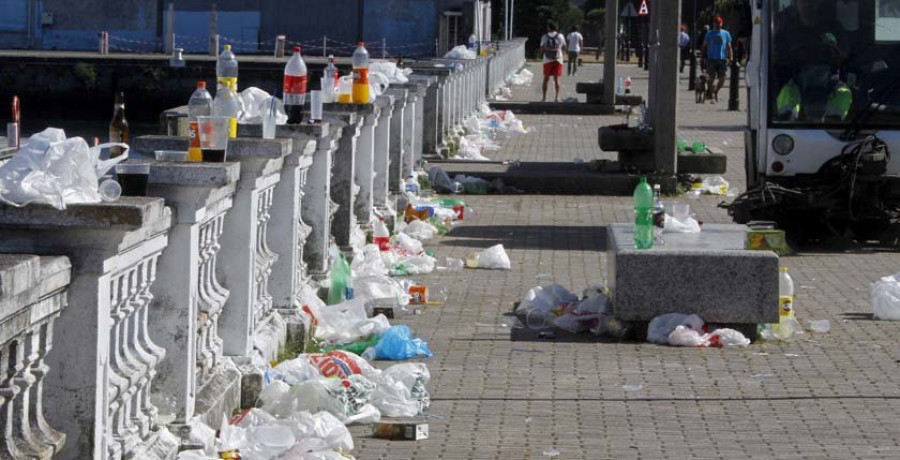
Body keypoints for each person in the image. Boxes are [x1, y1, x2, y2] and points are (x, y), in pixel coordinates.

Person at [701, 17, 733, 103]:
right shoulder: (709, 34)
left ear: (722, 23)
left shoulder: (726, 33)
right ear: (714, 24)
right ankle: (711, 96)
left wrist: (730, 58)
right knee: (711, 78)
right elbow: (704, 46)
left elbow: (729, 46)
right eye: (716, 23)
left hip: (722, 59)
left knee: (722, 78)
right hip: (711, 59)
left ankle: (716, 91)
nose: (718, 25)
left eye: (719, 23)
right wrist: (702, 57)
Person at [540, 21, 567, 102]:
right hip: (558, 59)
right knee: (557, 79)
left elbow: (542, 48)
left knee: (546, 79)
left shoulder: (544, 36)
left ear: (549, 27)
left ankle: (544, 98)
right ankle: (557, 97)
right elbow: (564, 47)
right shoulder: (561, 36)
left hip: (547, 60)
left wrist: (542, 54)